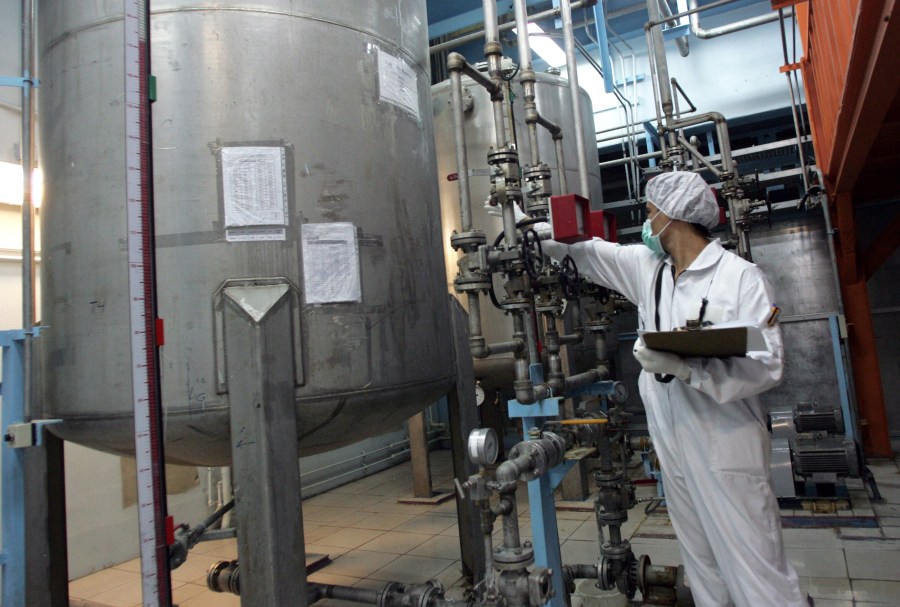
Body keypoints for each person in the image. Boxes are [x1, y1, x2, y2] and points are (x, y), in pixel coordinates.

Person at [490, 171, 806, 607]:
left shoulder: (740, 277)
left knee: (754, 563)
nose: (647, 220)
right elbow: (586, 253)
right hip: (674, 444)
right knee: (702, 563)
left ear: (673, 218)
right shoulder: (650, 270)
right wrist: (523, 223)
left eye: (652, 212)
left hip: (725, 445)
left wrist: (686, 367)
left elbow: (767, 363)